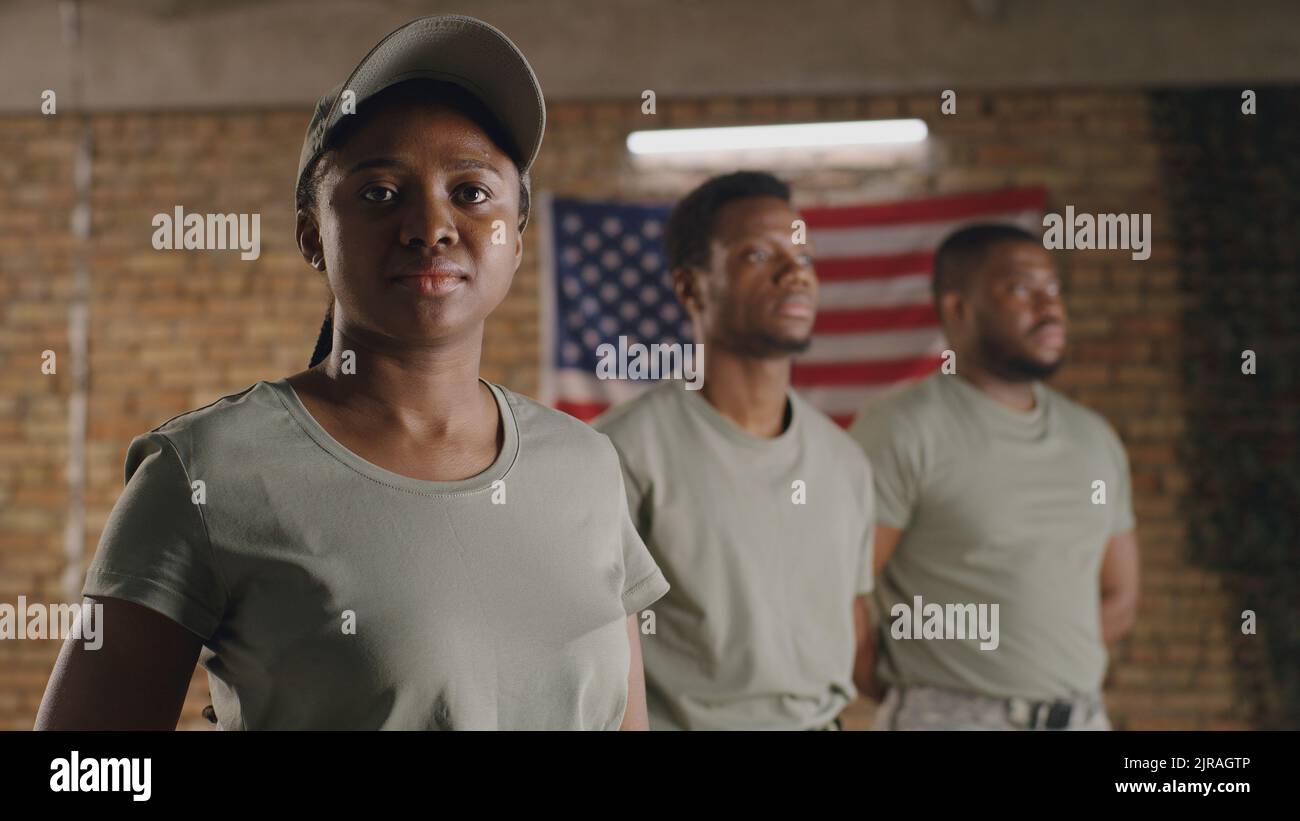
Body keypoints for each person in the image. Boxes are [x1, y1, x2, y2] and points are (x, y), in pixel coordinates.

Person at [36, 15, 668, 731]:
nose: (430, 225)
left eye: (471, 192)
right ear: (312, 234)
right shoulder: (206, 471)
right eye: (378, 193)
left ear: (516, 238)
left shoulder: (585, 464)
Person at [594, 171, 876, 730]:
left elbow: (852, 628)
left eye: (803, 254)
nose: (795, 272)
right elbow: (584, 646)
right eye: (757, 255)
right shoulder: (619, 452)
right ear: (690, 287)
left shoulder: (844, 461)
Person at [849, 223, 1140, 730]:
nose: (1049, 308)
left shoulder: (1093, 438)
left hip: (1081, 718)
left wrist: (1037, 658)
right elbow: (838, 590)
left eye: (1053, 289)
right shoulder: (901, 428)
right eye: (1021, 289)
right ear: (957, 309)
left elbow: (1119, 596)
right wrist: (909, 693)